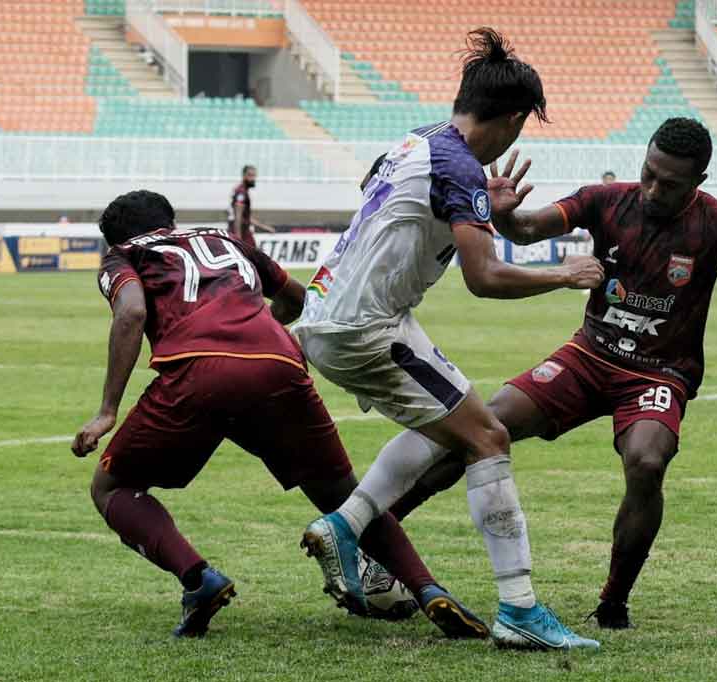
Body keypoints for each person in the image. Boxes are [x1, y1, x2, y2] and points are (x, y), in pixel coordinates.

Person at [384, 117, 717, 631]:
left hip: (660, 374)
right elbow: (524, 230)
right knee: (485, 426)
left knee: (646, 460)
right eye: (647, 172)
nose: (650, 188)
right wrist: (501, 214)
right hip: (589, 355)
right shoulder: (605, 200)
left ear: (698, 182)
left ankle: (614, 600)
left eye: (668, 183)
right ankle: (378, 538)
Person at [291, 28, 604, 651]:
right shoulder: (459, 168)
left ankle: (347, 525)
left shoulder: (420, 140)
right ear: (514, 118)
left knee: (453, 421)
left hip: (328, 312)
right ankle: (519, 609)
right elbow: (484, 279)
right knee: (487, 437)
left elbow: (377, 199)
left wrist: (474, 203)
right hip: (367, 329)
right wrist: (564, 273)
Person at [71, 190, 487, 640]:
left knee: (111, 486)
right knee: (341, 495)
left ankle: (198, 579)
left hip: (197, 370)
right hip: (279, 363)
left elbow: (131, 311)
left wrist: (107, 410)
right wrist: (256, 333)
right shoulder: (225, 240)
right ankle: (428, 589)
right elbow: (296, 297)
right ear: (168, 219)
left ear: (115, 238)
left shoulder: (123, 254)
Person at [227, 165, 275, 249]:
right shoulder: (241, 192)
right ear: (244, 176)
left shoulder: (243, 191)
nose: (253, 179)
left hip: (245, 232)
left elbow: (245, 217)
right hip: (241, 233)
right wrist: (238, 239)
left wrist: (264, 227)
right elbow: (238, 217)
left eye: (254, 176)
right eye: (250, 175)